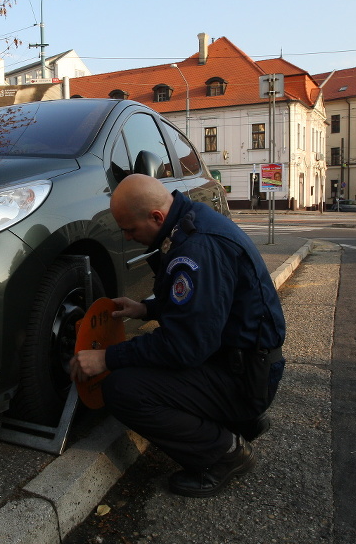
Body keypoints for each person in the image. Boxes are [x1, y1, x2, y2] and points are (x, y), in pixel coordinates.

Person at [70, 174, 286, 498]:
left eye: (130, 229)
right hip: (238, 363)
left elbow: (185, 347)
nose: (128, 238)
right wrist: (146, 309)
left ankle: (225, 451)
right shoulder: (188, 223)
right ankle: (237, 421)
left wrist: (107, 357)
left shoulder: (197, 248)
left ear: (156, 217)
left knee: (124, 389)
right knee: (139, 365)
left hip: (243, 378)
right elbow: (205, 307)